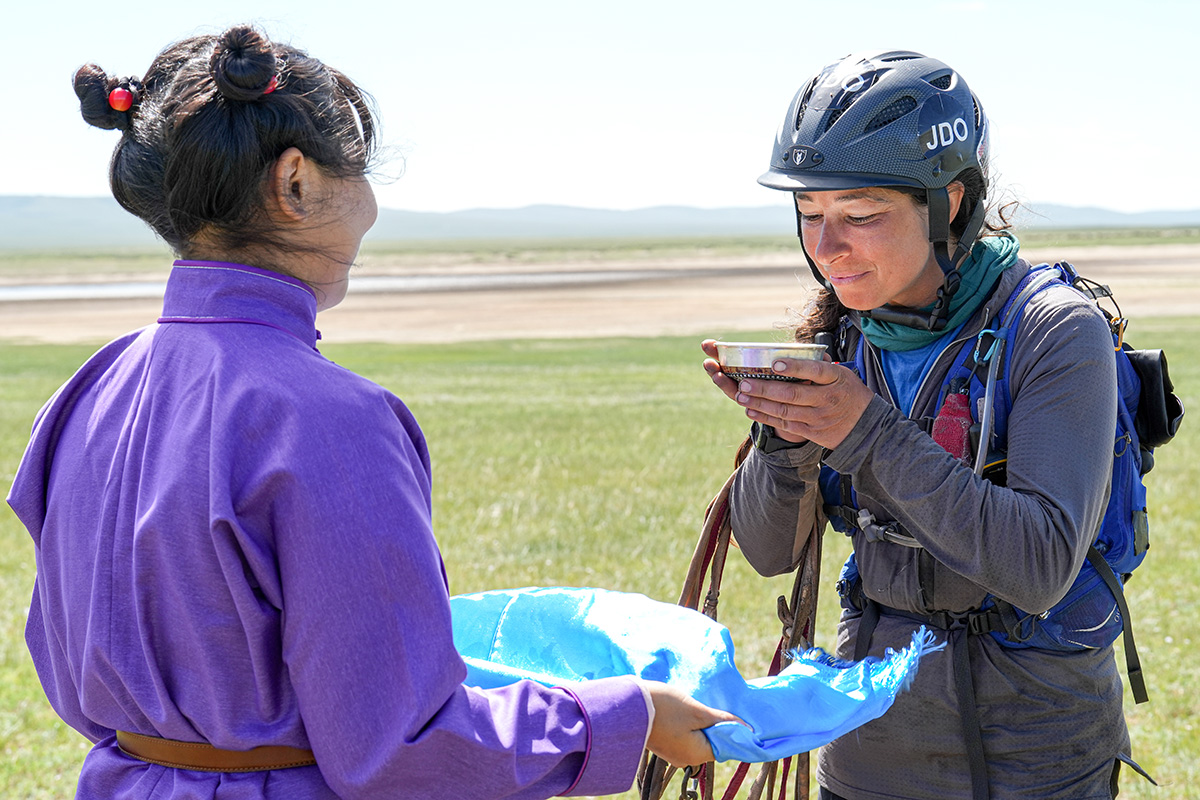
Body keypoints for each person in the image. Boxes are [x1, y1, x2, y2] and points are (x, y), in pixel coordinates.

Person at [8, 25, 737, 800]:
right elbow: (400, 749)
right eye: (355, 174)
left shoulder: (84, 390)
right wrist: (622, 716)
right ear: (295, 182)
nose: (370, 207)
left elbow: (67, 665)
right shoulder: (329, 419)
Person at [702, 50, 1135, 799]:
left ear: (952, 203)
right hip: (869, 748)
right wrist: (785, 442)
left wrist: (865, 429)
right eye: (809, 217)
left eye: (860, 217)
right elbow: (771, 555)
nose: (826, 249)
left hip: (1035, 756)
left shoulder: (1056, 332)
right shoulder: (844, 337)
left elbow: (1038, 567)